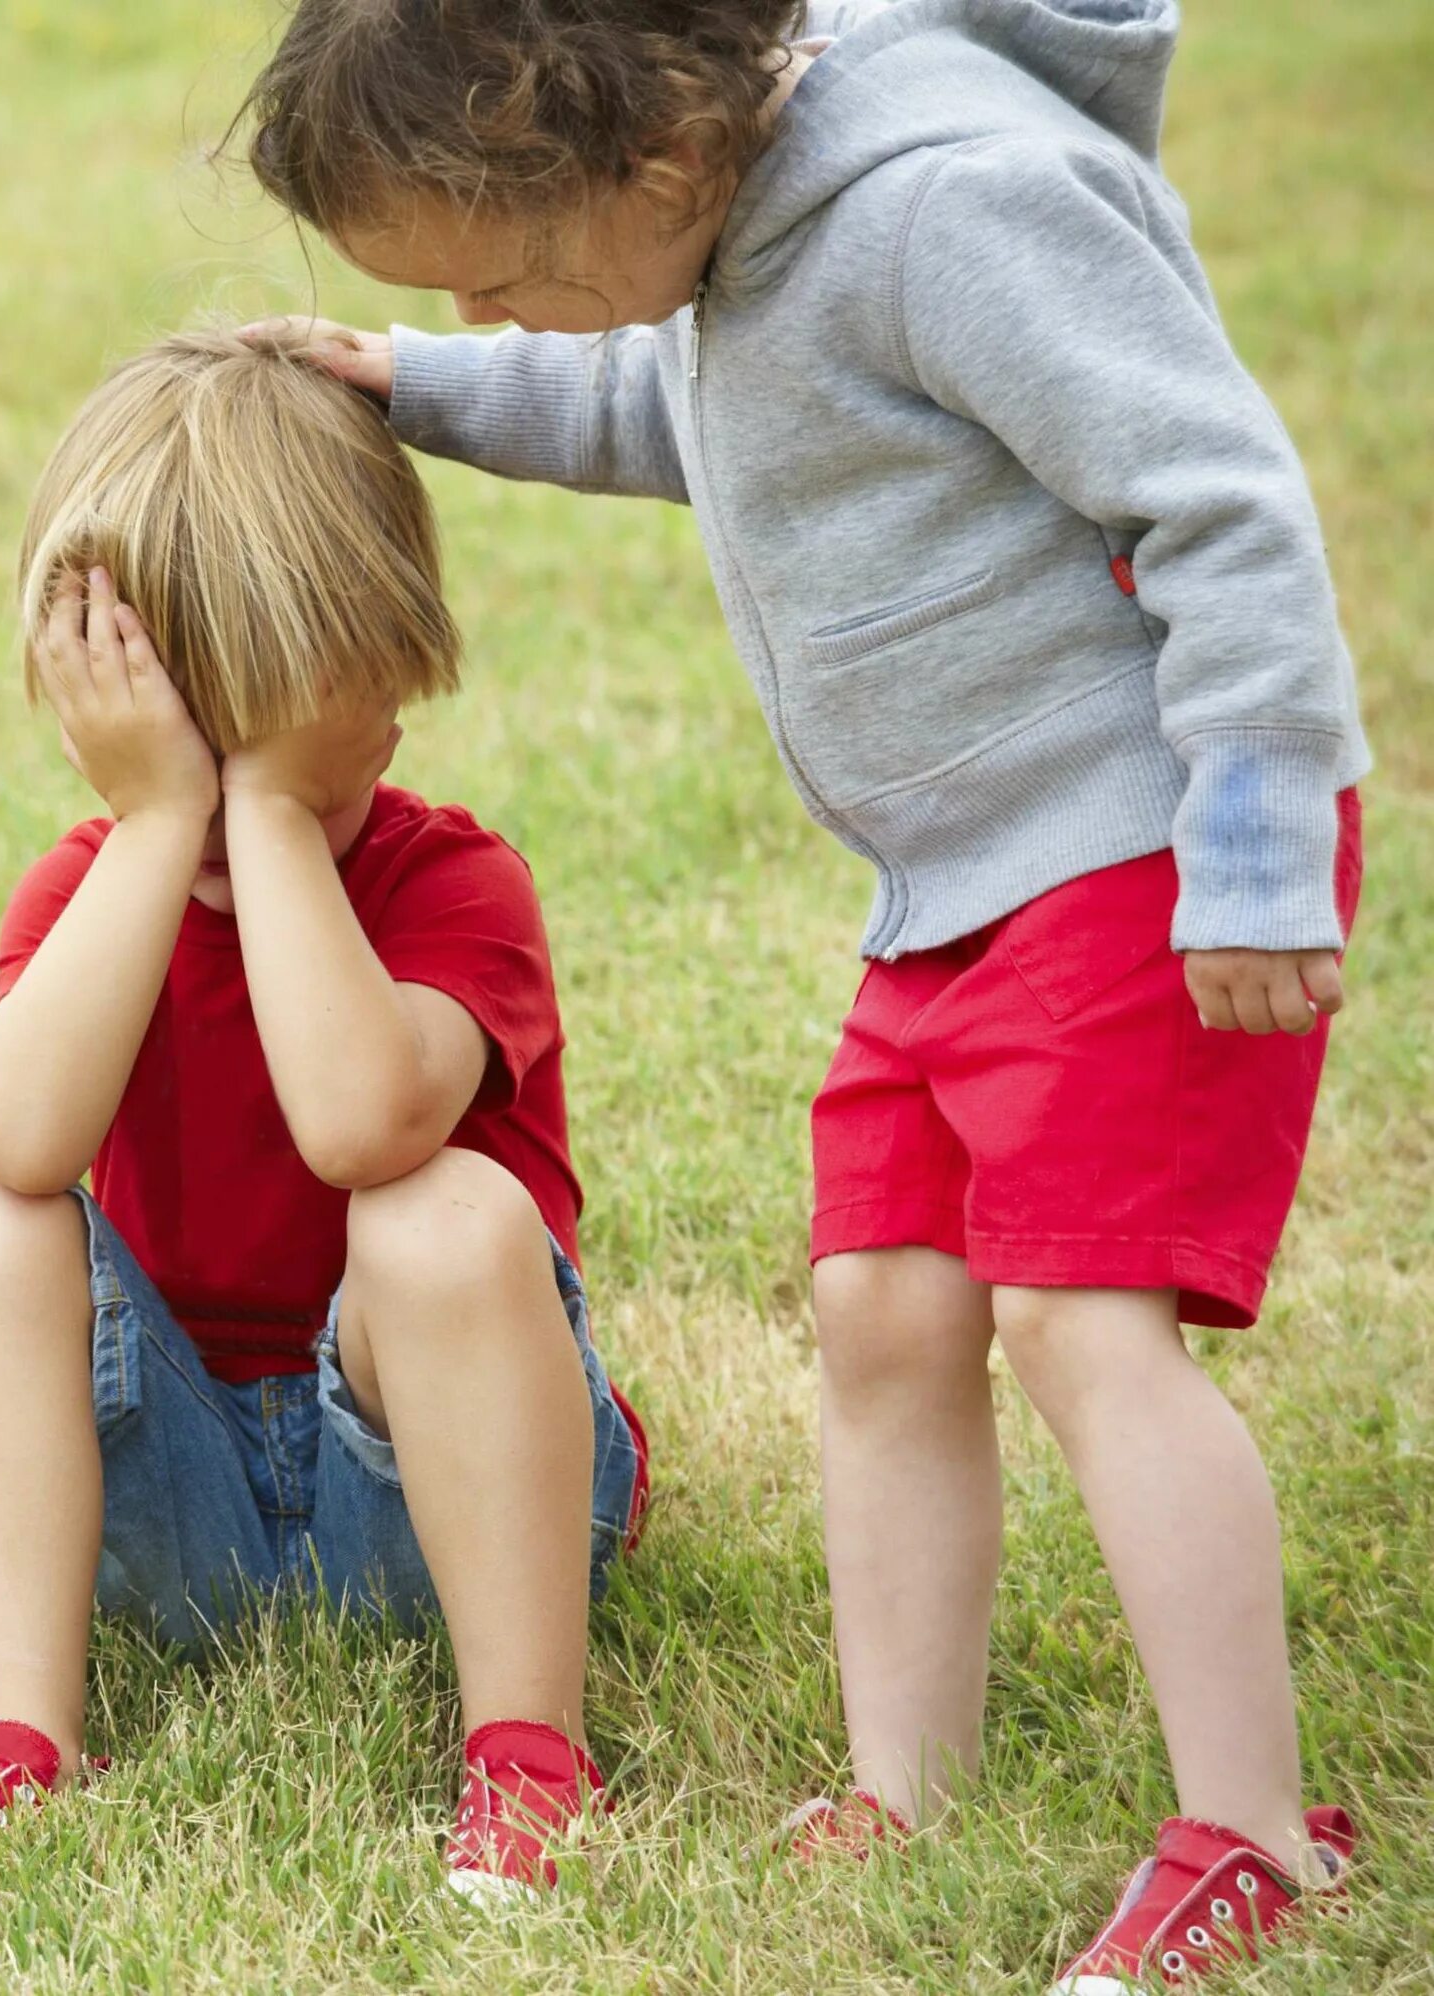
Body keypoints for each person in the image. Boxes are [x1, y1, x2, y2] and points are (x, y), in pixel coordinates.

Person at [230, 1, 1365, 1984]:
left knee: (1080, 1322)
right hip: (956, 888)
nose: (514, 313)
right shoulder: (725, 230)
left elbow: (1225, 498)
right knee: (880, 1306)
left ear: (653, 164)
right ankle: (906, 1780)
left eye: (507, 276)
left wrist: (1259, 847)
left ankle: (1253, 1827)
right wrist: (409, 378)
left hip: (1145, 851)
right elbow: (662, 397)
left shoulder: (955, 210)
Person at [0, 328, 648, 1905]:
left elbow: (359, 1124)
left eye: (271, 745)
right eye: (179, 745)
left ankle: (530, 1755)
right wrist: (161, 825)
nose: (218, 790)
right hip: (163, 1510)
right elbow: (22, 1143)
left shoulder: (454, 886)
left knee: (443, 1207)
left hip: (441, 1502)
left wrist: (267, 814)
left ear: (382, 704)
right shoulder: (90, 891)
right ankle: (14, 1745)